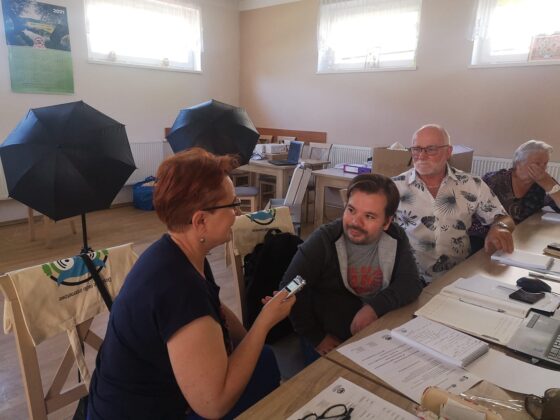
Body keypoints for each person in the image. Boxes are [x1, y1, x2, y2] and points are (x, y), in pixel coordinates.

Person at [88, 148, 295, 420]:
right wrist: (264, 323)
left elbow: (215, 307)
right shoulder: (178, 287)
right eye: (232, 205)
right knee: (264, 367)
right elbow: (214, 405)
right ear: (200, 221)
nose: (237, 213)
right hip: (141, 412)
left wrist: (248, 340)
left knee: (263, 359)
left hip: (132, 398)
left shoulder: (177, 251)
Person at [279, 174, 422, 361]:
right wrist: (317, 337)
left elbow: (410, 282)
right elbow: (290, 287)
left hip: (376, 331)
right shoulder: (323, 241)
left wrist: (373, 308)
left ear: (387, 222)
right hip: (327, 338)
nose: (355, 222)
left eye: (369, 216)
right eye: (351, 210)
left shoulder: (396, 237)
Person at [392, 124, 515, 285]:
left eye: (431, 149)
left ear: (448, 152)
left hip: (458, 275)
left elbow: (504, 218)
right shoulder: (395, 187)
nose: (421, 155)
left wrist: (499, 227)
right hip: (410, 278)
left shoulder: (471, 184)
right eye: (416, 149)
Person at [469, 140, 560, 242]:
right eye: (537, 164)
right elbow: (473, 212)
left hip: (522, 235)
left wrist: (550, 185)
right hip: (485, 237)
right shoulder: (494, 180)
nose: (542, 169)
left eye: (545, 164)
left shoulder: (543, 182)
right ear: (519, 163)